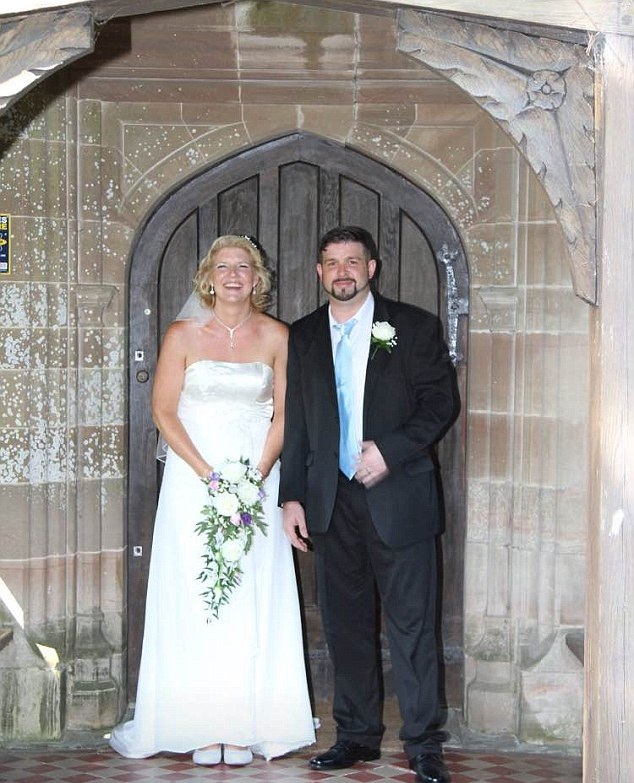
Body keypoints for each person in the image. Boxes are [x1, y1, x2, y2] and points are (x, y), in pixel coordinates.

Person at [110, 235, 316, 765]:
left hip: (256, 479)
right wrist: (209, 477)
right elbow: (163, 411)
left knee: (251, 592)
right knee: (197, 593)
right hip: (193, 481)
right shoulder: (182, 334)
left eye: (243, 267)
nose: (233, 275)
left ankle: (245, 725)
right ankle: (200, 724)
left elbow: (285, 414)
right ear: (208, 277)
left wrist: (256, 477)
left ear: (257, 278)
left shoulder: (277, 335)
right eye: (223, 267)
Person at [279, 226, 458, 783]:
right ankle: (356, 736)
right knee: (345, 626)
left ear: (371, 268)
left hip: (398, 496)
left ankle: (423, 744)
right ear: (319, 272)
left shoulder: (414, 327)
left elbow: (440, 404)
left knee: (412, 626)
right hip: (331, 501)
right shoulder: (303, 335)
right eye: (332, 262)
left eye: (352, 261)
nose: (342, 272)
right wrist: (291, 496)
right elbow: (297, 421)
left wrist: (391, 451)